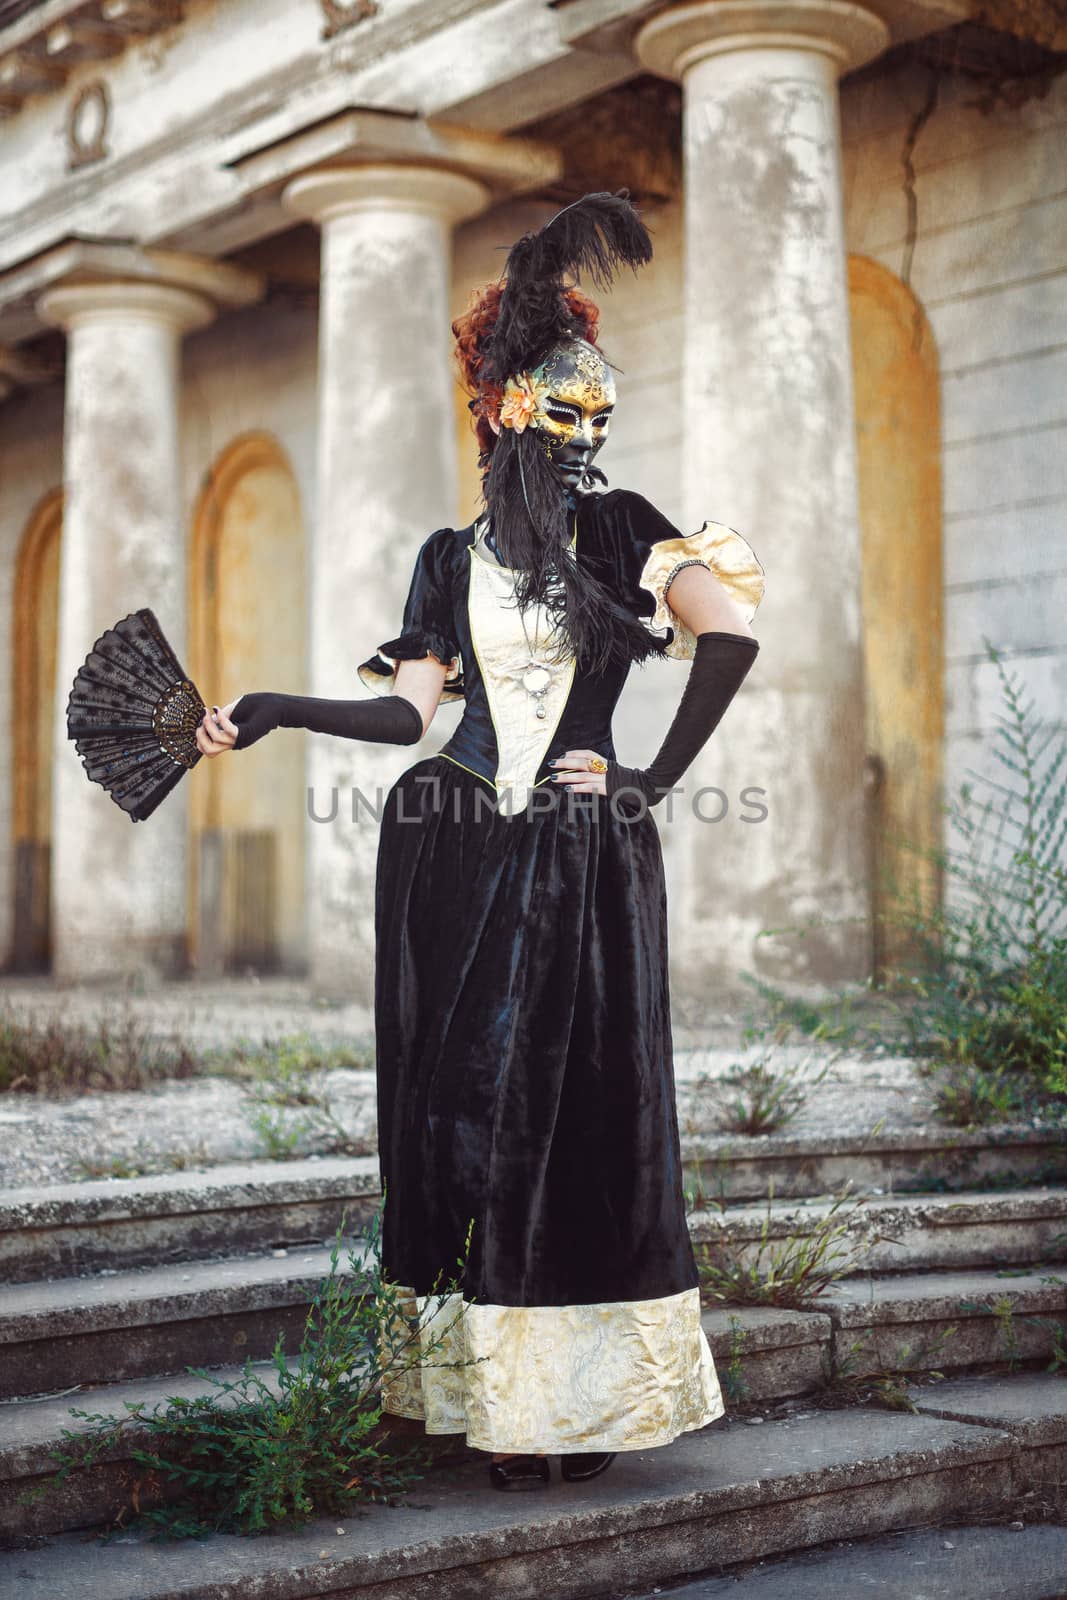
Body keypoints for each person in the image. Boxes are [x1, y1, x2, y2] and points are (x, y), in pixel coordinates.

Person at [196, 192, 765, 1492]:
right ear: (502, 402)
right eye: (564, 400)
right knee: (455, 1114)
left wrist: (646, 776)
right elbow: (411, 714)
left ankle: (564, 1408)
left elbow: (729, 626)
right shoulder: (446, 558)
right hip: (447, 854)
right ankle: (470, 1394)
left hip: (576, 858)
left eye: (600, 401)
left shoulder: (621, 528)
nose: (591, 422)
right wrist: (275, 709)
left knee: (558, 1111)